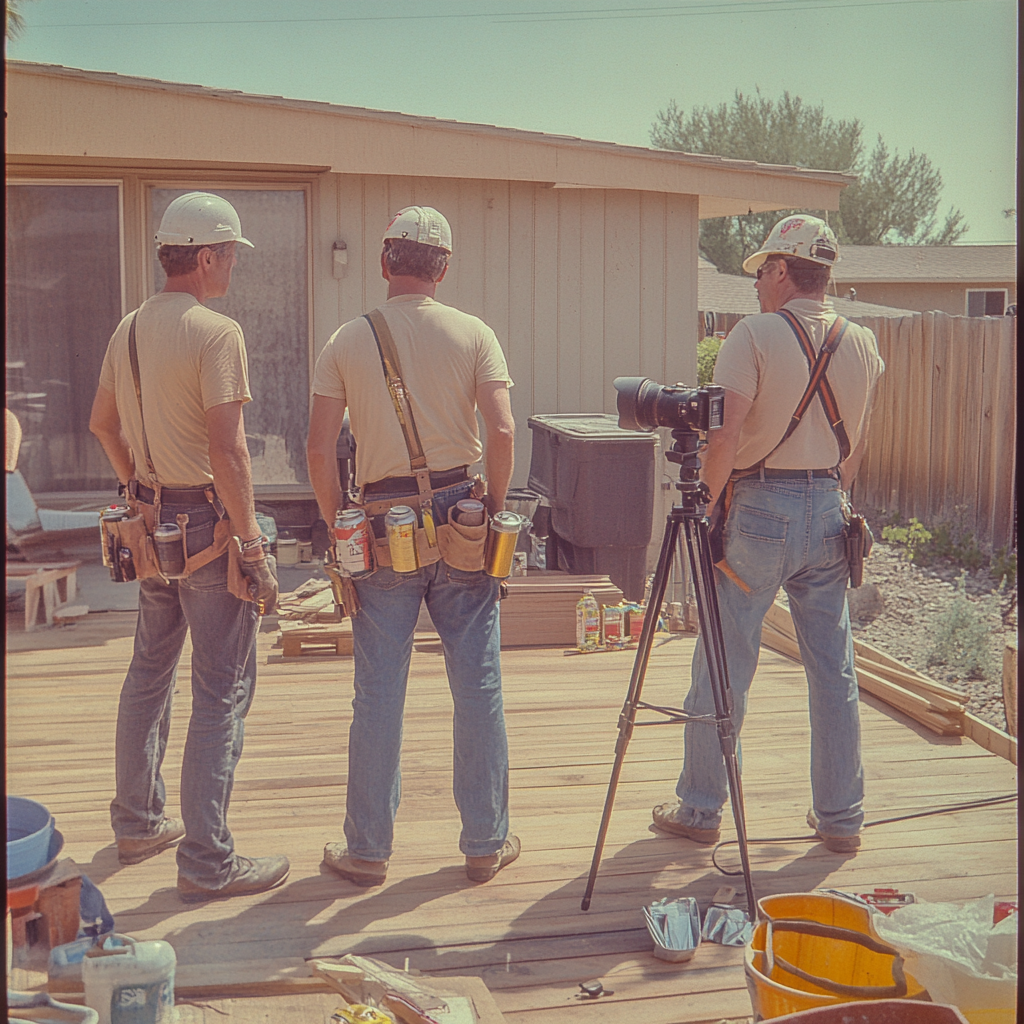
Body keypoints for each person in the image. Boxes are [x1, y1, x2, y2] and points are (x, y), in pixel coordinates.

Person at [653, 215, 884, 854]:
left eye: (761, 271)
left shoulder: (752, 335)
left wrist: (704, 506)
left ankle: (701, 809)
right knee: (832, 669)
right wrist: (834, 501)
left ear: (783, 270)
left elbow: (724, 438)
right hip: (831, 509)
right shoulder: (862, 342)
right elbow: (855, 447)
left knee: (724, 660)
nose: (756, 283)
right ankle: (842, 819)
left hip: (760, 510)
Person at [306, 206, 519, 887]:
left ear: (383, 262)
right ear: (444, 269)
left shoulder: (346, 339)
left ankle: (367, 850)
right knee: (477, 682)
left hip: (380, 521)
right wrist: (494, 503)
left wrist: (334, 517)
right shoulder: (474, 334)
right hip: (462, 514)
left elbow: (317, 445)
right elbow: (504, 431)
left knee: (377, 691)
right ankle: (484, 840)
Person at [89, 192, 288, 901]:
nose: (233, 265)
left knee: (149, 671)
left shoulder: (130, 329)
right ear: (205, 257)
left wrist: (137, 486)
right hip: (206, 530)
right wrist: (254, 546)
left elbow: (101, 423)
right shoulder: (215, 332)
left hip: (152, 529)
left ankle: (140, 822)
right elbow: (229, 453)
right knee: (221, 690)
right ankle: (207, 862)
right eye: (230, 254)